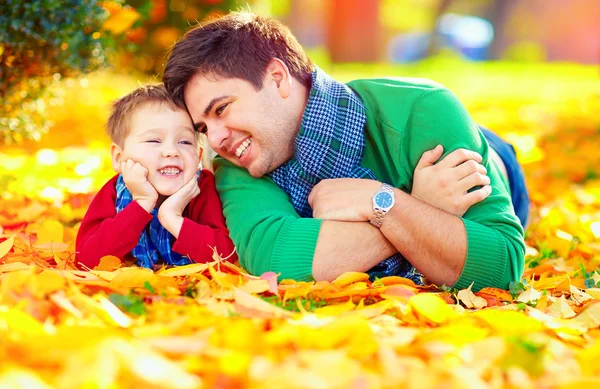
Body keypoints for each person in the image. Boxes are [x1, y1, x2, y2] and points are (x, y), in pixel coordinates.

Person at [163, 12, 529, 290]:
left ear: (277, 78)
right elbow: (273, 263)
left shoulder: (423, 108)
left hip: (491, 159)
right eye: (203, 128)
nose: (215, 140)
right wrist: (410, 205)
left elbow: (501, 267)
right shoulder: (238, 162)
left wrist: (377, 200)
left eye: (222, 109)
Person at [76, 85, 237, 270]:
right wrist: (141, 204)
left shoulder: (203, 188)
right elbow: (85, 261)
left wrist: (172, 218)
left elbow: (226, 256)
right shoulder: (114, 193)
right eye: (154, 140)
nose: (171, 151)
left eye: (184, 141)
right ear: (119, 158)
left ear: (198, 156)